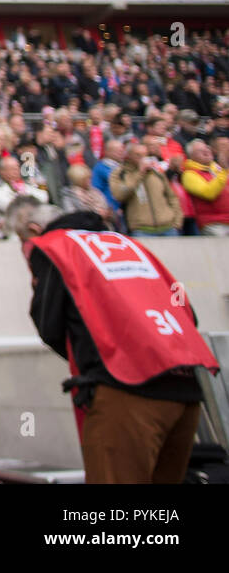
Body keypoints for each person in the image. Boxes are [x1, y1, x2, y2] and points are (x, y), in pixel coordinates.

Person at [16, 206, 218, 484]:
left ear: (34, 231)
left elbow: (49, 325)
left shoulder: (54, 247)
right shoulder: (131, 244)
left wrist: (94, 364)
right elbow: (188, 314)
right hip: (186, 390)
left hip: (125, 387)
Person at [110, 142, 182, 236]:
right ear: (128, 156)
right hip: (141, 230)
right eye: (138, 155)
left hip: (168, 228)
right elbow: (119, 194)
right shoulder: (120, 173)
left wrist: (177, 222)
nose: (142, 158)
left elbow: (172, 197)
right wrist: (139, 173)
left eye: (145, 155)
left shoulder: (156, 173)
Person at [180, 140, 229, 235]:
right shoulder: (189, 174)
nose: (206, 151)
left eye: (206, 148)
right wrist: (224, 172)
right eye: (200, 150)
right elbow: (208, 193)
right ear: (191, 157)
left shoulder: (217, 169)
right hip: (214, 224)